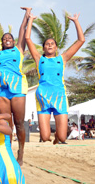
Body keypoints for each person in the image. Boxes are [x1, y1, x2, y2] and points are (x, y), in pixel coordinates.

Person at [25, 12, 85, 145]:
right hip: (43, 97)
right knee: (45, 137)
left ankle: (58, 136)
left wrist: (76, 21)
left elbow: (81, 41)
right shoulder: (39, 58)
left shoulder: (62, 59)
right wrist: (31, 20)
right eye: (47, 44)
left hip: (60, 97)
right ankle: (50, 136)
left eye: (52, 43)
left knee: (63, 138)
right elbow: (28, 38)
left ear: (56, 47)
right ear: (43, 47)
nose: (50, 45)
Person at [0, 7, 32, 166]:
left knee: (19, 122)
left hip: (18, 89)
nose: (7, 39)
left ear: (13, 41)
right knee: (6, 123)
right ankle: (8, 149)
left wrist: (26, 15)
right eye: (4, 38)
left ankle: (21, 151)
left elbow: (22, 31)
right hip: (1, 90)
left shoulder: (19, 49)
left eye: (9, 38)